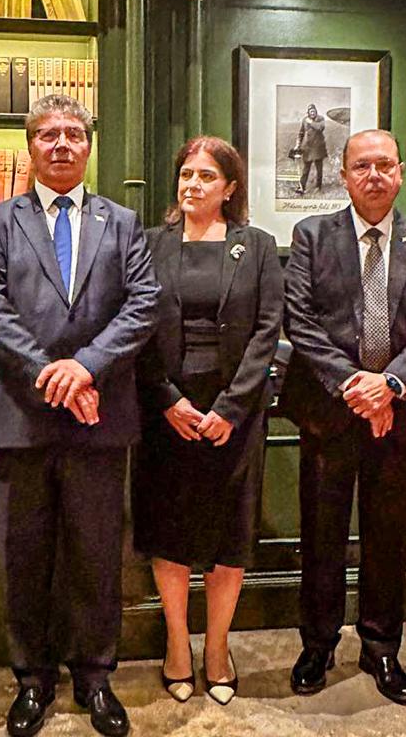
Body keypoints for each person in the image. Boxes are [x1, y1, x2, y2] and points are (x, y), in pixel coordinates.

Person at [0, 93, 159, 737]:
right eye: (47, 134)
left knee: (97, 556)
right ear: (30, 147)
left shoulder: (122, 222)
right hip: (22, 417)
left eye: (73, 133)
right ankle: (32, 679)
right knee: (24, 558)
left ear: (88, 146)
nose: (61, 144)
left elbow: (143, 304)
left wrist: (86, 368)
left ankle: (95, 676)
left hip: (100, 417)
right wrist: (52, 373)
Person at [282, 129, 406, 706]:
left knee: (388, 538)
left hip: (399, 414)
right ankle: (318, 644)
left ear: (401, 172)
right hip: (328, 413)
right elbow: (300, 320)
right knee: (322, 537)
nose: (374, 175)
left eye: (384, 165)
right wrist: (355, 386)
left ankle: (381, 648)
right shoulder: (312, 235)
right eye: (362, 166)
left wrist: (390, 385)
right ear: (343, 175)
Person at [132, 136, 281, 706]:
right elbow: (135, 326)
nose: (193, 184)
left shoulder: (257, 246)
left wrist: (231, 408)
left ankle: (217, 647)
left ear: (230, 187)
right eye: (186, 174)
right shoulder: (150, 244)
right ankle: (177, 644)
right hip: (166, 412)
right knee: (169, 530)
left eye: (206, 176)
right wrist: (167, 399)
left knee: (228, 535)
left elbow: (268, 329)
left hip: (234, 415)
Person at [292, 104, 328, 195]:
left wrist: (311, 122)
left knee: (319, 169)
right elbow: (301, 133)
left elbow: (320, 128)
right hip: (307, 148)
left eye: (314, 111)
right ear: (308, 112)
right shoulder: (305, 120)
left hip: (318, 148)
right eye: (311, 112)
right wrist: (298, 144)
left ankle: (318, 187)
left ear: (316, 112)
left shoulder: (321, 119)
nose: (312, 113)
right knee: (305, 169)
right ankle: (302, 187)